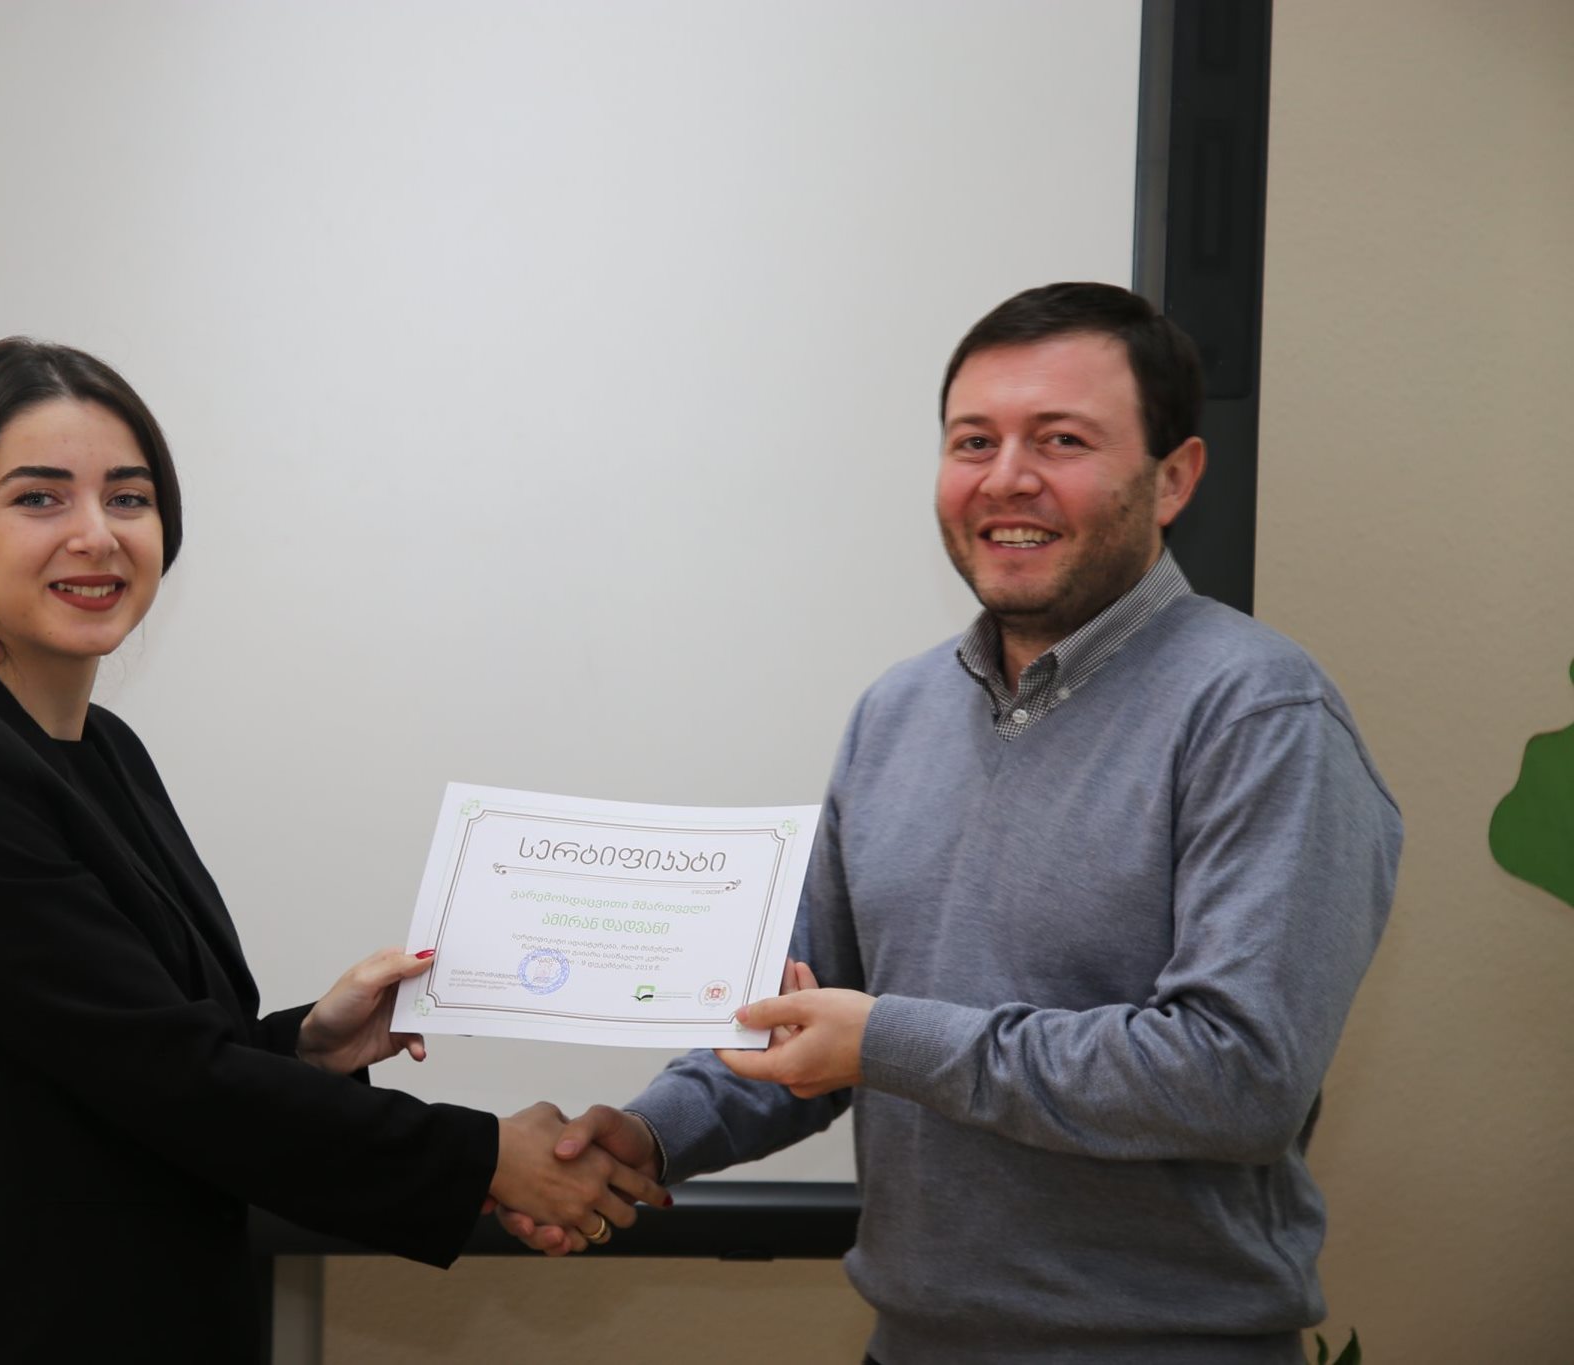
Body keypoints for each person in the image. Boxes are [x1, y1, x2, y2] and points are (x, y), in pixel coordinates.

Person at [504, 283, 1404, 1363]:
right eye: (973, 440)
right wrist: (651, 1136)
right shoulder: (896, 711)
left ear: (1173, 478)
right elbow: (802, 1016)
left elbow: (1238, 1078)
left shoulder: (1257, 712)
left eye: (1061, 439)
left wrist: (887, 1039)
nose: (1005, 477)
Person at [0, 338, 664, 1363]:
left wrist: (307, 1047)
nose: (95, 534)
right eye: (39, 498)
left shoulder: (104, 751)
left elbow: (125, 1059)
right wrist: (486, 1158)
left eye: (128, 497)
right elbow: (164, 1077)